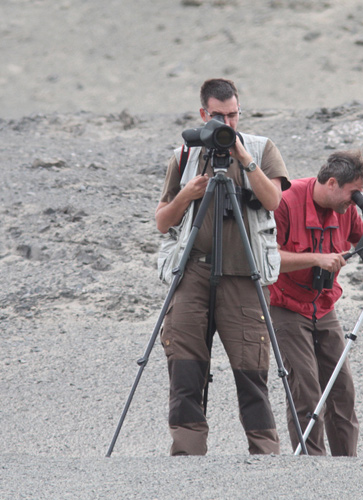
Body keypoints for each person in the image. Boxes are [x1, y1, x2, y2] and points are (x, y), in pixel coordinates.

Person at [154, 78, 291, 456]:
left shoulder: (261, 149)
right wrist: (187, 194)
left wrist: (244, 158)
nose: (227, 124)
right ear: (203, 114)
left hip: (243, 275)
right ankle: (188, 455)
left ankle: (265, 458)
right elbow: (163, 221)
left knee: (252, 372)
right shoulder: (184, 155)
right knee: (184, 371)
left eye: (233, 115)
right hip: (193, 273)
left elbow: (273, 201)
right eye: (219, 116)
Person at [269, 150, 363, 456]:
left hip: (324, 306)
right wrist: (317, 258)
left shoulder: (346, 210)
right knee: (306, 391)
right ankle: (312, 470)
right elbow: (268, 259)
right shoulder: (286, 201)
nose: (355, 201)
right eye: (353, 193)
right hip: (286, 306)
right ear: (332, 183)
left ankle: (346, 468)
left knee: (342, 390)